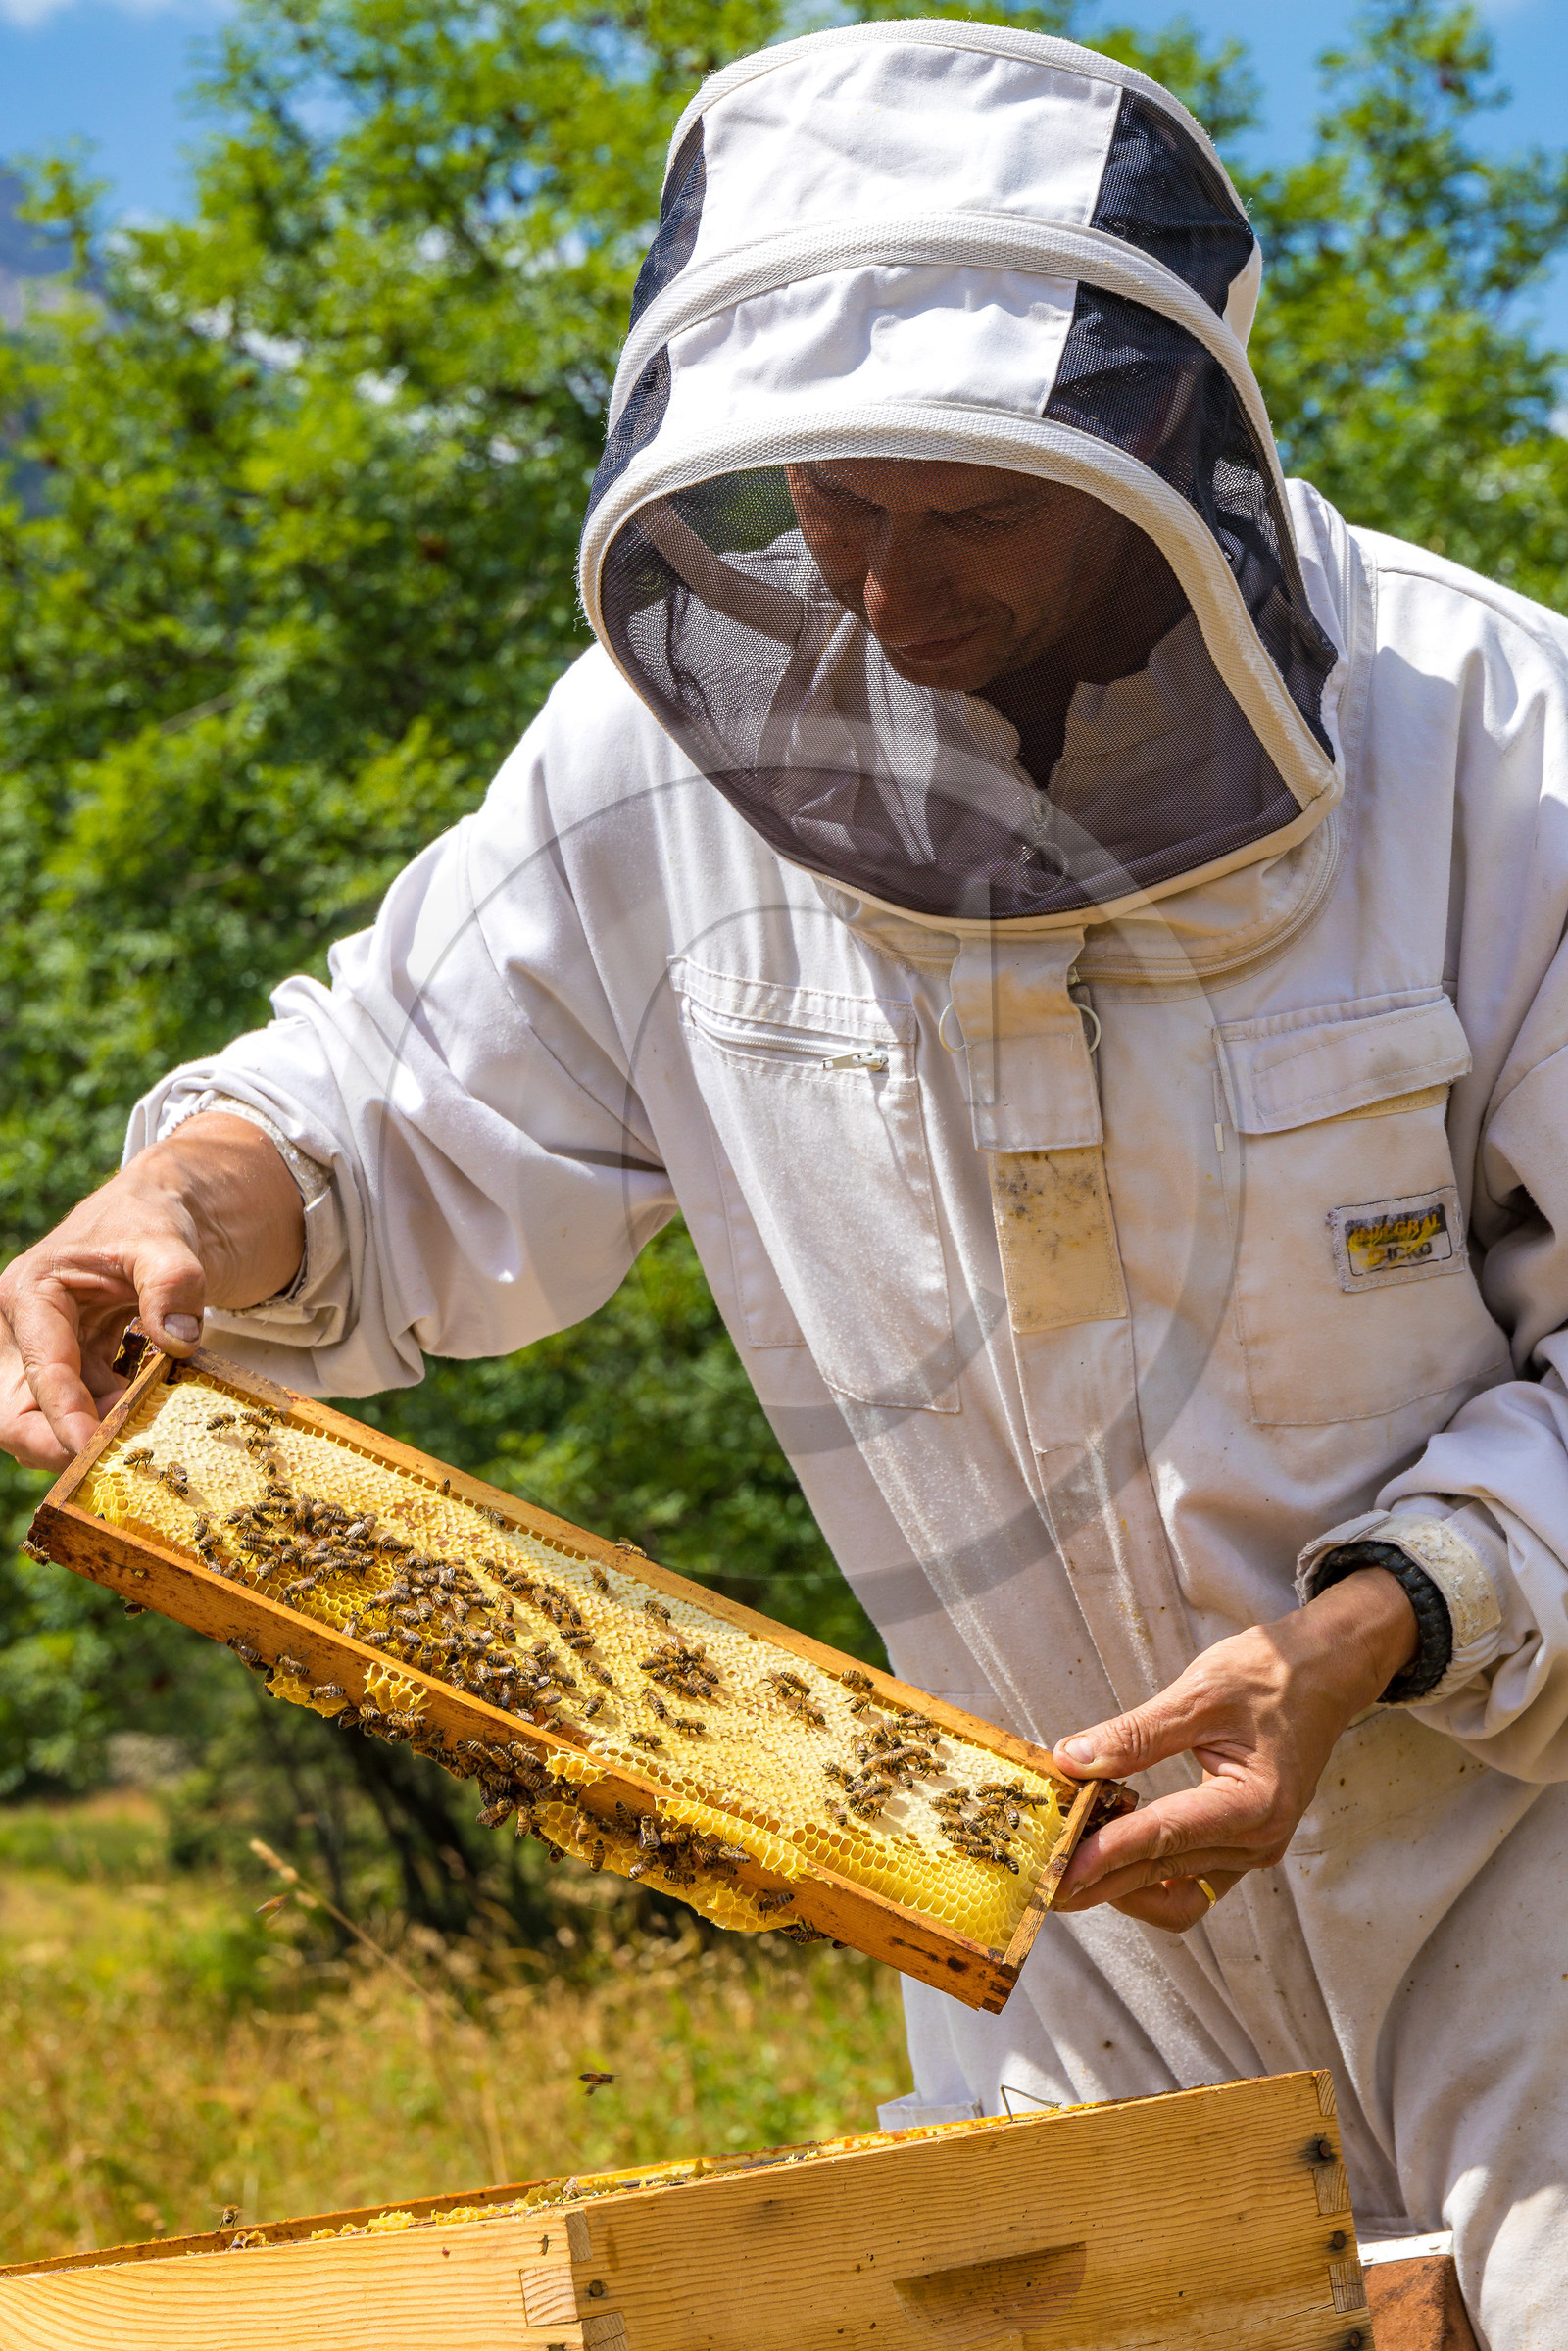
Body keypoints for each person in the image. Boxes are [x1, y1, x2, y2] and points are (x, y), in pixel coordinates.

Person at [2, 23, 1564, 2341]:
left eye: (965, 520)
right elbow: (392, 1101)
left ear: (1156, 456)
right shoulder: (649, 764)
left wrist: (1369, 1627)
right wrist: (182, 1207)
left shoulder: (1503, 763)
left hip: (1514, 1892)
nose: (885, 594)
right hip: (1035, 1936)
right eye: (825, 507)